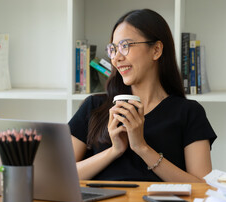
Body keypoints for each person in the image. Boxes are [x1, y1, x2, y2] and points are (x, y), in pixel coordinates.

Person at [69, 9, 217, 182]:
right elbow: (60, 176)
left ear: (156, 50)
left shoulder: (189, 112)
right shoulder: (94, 106)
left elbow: (203, 188)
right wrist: (114, 151)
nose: (116, 58)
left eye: (125, 46)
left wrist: (141, 147)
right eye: (113, 49)